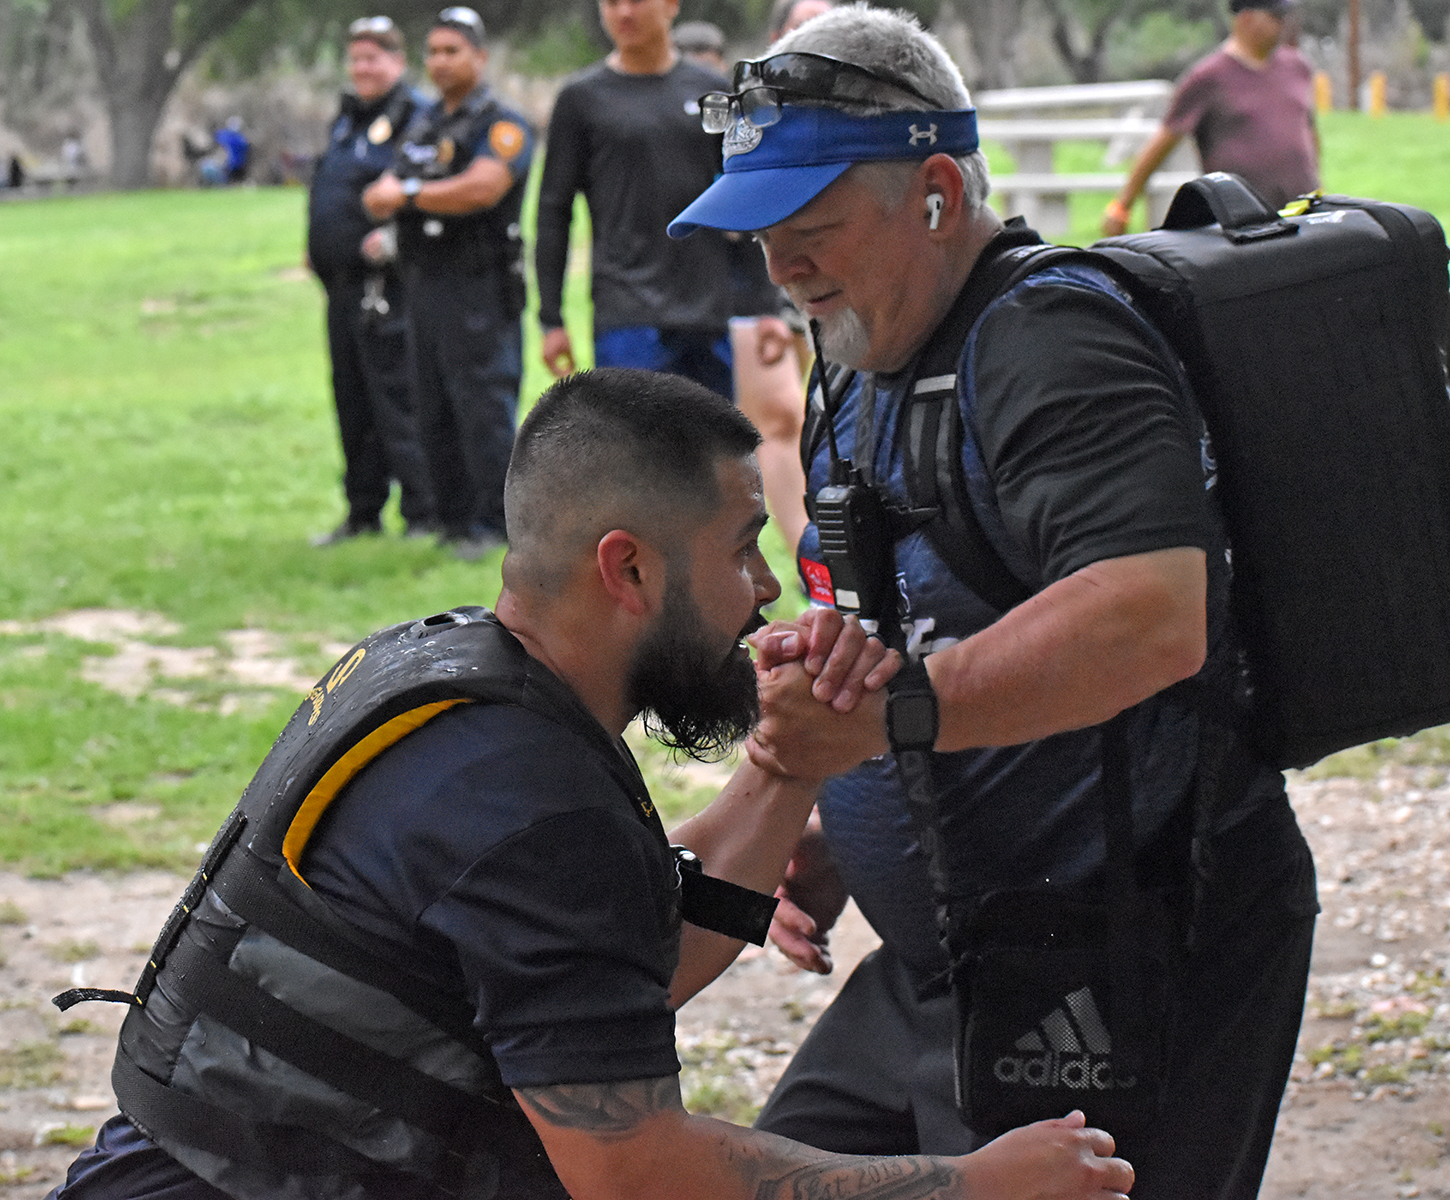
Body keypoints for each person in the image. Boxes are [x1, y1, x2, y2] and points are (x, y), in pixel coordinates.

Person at [44, 367, 1134, 1200]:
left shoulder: (446, 674)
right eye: (743, 550)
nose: (766, 590)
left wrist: (796, 760)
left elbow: (615, 970)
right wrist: (969, 1185)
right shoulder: (532, 811)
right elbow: (636, 1171)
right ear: (630, 568)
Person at [669, 6, 1318, 1199]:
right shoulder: (863, 357)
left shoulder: (1049, 339)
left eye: (810, 227)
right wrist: (851, 824)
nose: (781, 267)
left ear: (933, 192)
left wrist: (888, 724)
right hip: (957, 954)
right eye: (760, 236)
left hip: (1127, 944)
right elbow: (930, 613)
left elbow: (1149, 614)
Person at [363, 7, 532, 561]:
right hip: (423, 283)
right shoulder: (424, 124)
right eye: (432, 51)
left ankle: (494, 524)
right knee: (431, 404)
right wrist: (393, 197)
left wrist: (409, 196)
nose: (440, 62)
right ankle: (453, 521)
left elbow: (482, 188)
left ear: (480, 57)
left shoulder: (501, 124)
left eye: (452, 51)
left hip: (479, 286)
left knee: (482, 404)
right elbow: (380, 188)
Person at [533, 0, 742, 400]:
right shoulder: (581, 99)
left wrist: (764, 305)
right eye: (612, 3)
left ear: (671, 5)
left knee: (712, 438)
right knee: (634, 438)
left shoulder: (711, 91)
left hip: (707, 312)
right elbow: (553, 210)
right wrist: (551, 318)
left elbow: (742, 194)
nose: (624, 13)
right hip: (626, 313)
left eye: (636, 1)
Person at [307, 16, 436, 546]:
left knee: (398, 399)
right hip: (339, 285)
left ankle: (423, 512)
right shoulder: (348, 120)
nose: (362, 68)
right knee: (352, 400)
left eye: (373, 58)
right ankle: (362, 512)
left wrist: (392, 238)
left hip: (387, 287)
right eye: (356, 58)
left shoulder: (416, 118)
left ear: (398, 62)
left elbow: (424, 186)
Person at [1102, 0, 1319, 235]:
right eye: (1275, 17)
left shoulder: (1298, 67)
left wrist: (1318, 189)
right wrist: (1122, 205)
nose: (1283, 23)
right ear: (1246, 18)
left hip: (1302, 216)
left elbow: (1308, 130)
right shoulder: (1208, 77)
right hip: (1242, 225)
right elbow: (1164, 140)